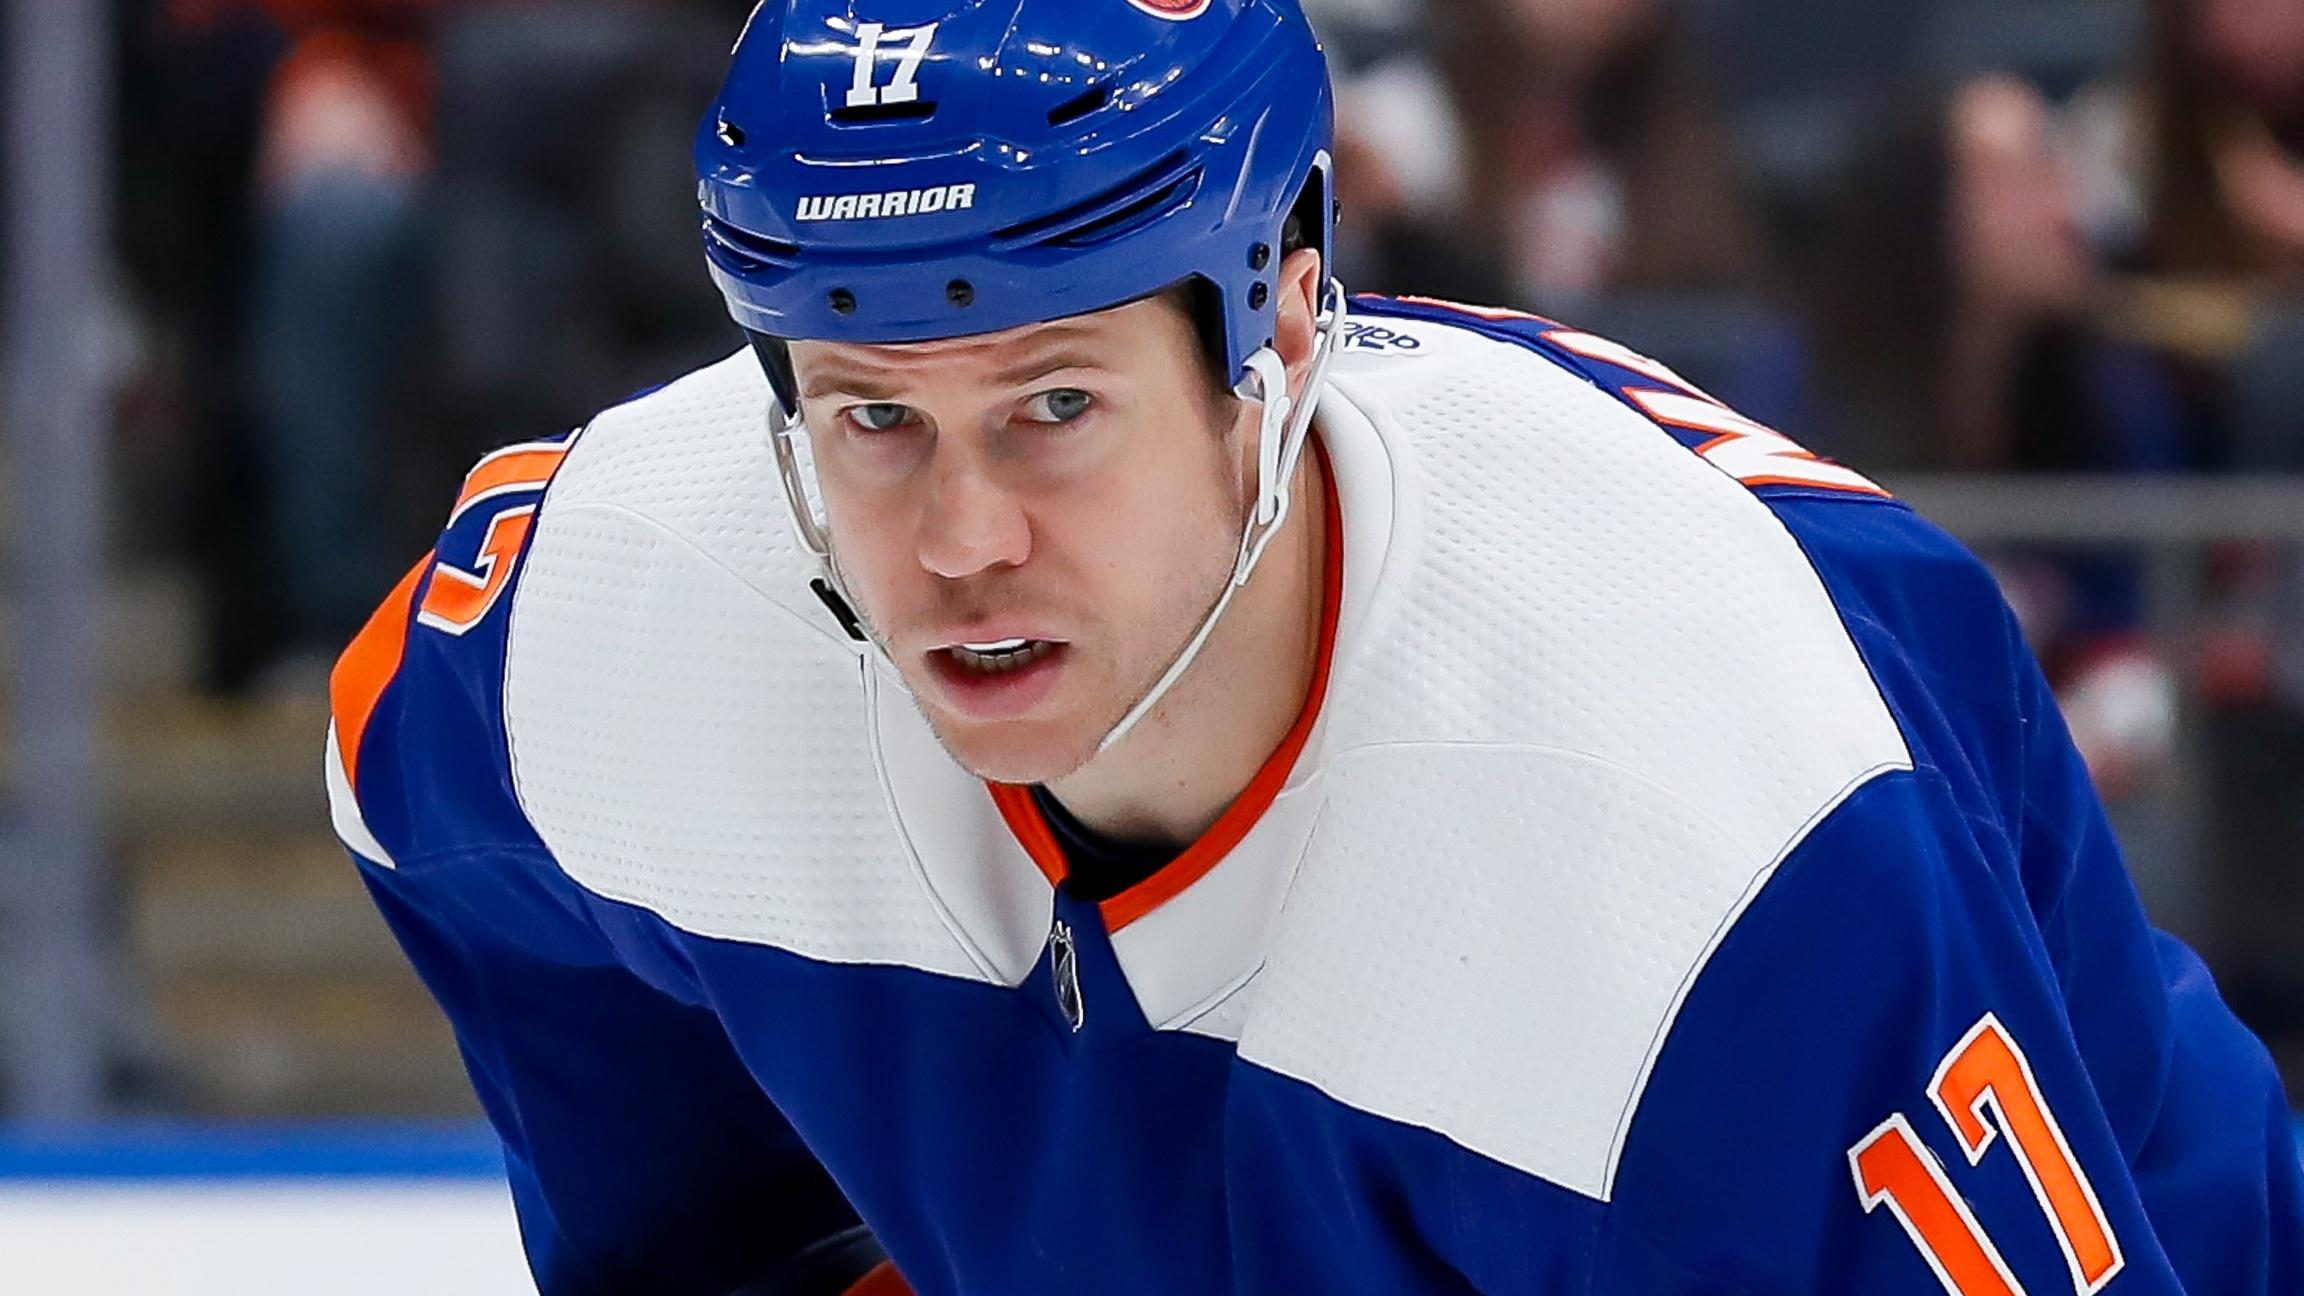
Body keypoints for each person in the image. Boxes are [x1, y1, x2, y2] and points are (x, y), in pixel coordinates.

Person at [325, 1, 2304, 1292]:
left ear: (1276, 333)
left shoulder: (1705, 840)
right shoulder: (642, 590)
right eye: (873, 417)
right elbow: (412, 794)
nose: (960, 539)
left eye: (1054, 409)